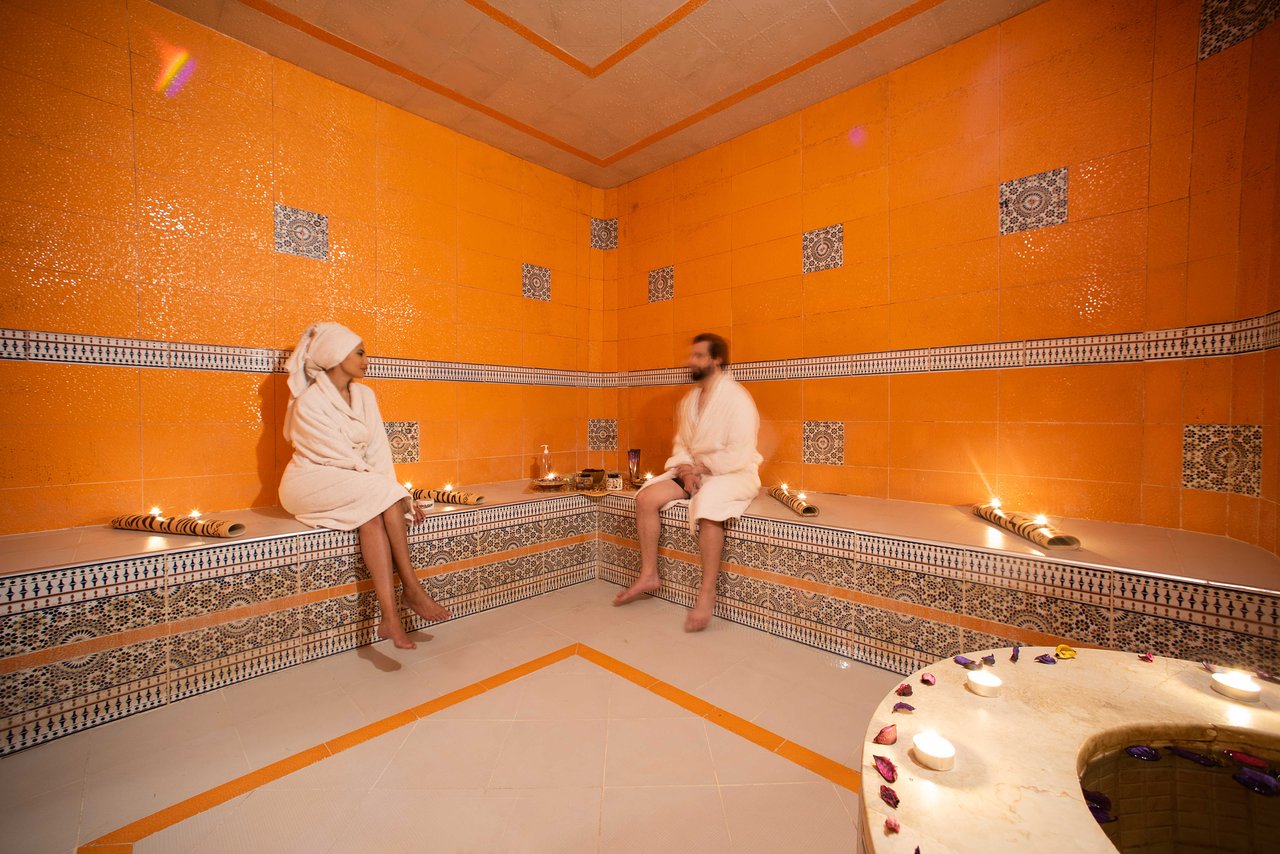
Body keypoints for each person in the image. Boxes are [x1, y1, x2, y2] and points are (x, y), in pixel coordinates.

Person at [279, 322, 449, 650]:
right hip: (311, 480)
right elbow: (338, 457)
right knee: (380, 495)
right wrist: (397, 494)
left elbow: (379, 451)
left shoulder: (365, 396)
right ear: (336, 354)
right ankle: (412, 588)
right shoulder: (309, 402)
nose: (366, 360)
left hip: (356, 479)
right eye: (359, 353)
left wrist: (394, 489)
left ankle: (390, 617)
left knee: (372, 514)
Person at [613, 333, 762, 631]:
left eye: (699, 356)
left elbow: (740, 452)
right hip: (695, 472)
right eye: (692, 355)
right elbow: (682, 445)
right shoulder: (689, 401)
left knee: (708, 505)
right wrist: (686, 471)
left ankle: (707, 594)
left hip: (732, 473)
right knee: (646, 498)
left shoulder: (738, 399)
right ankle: (649, 574)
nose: (691, 361)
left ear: (716, 359)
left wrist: (702, 468)